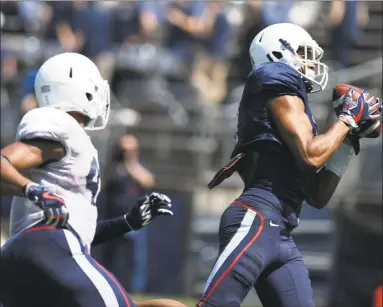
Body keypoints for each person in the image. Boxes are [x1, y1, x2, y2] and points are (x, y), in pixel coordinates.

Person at [197, 23, 381, 307]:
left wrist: (346, 142)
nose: (312, 62)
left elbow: (317, 196)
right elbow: (310, 156)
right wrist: (346, 120)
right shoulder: (274, 78)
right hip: (256, 217)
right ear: (278, 53)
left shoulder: (292, 101)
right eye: (305, 53)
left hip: (280, 230)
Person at [0, 52, 186, 307]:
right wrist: (32, 189)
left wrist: (127, 223)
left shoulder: (71, 143)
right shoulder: (61, 126)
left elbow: (73, 229)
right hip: (46, 247)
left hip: (23, 259)